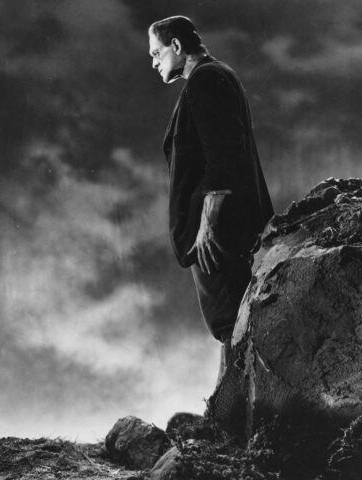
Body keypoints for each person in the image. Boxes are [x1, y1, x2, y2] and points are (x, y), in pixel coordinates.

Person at [148, 17, 273, 383]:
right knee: (234, 324)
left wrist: (207, 225)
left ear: (175, 46)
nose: (154, 63)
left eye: (156, 53)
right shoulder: (214, 76)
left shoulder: (206, 79)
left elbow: (223, 158)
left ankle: (235, 408)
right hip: (222, 230)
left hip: (218, 234)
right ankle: (232, 403)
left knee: (231, 322)